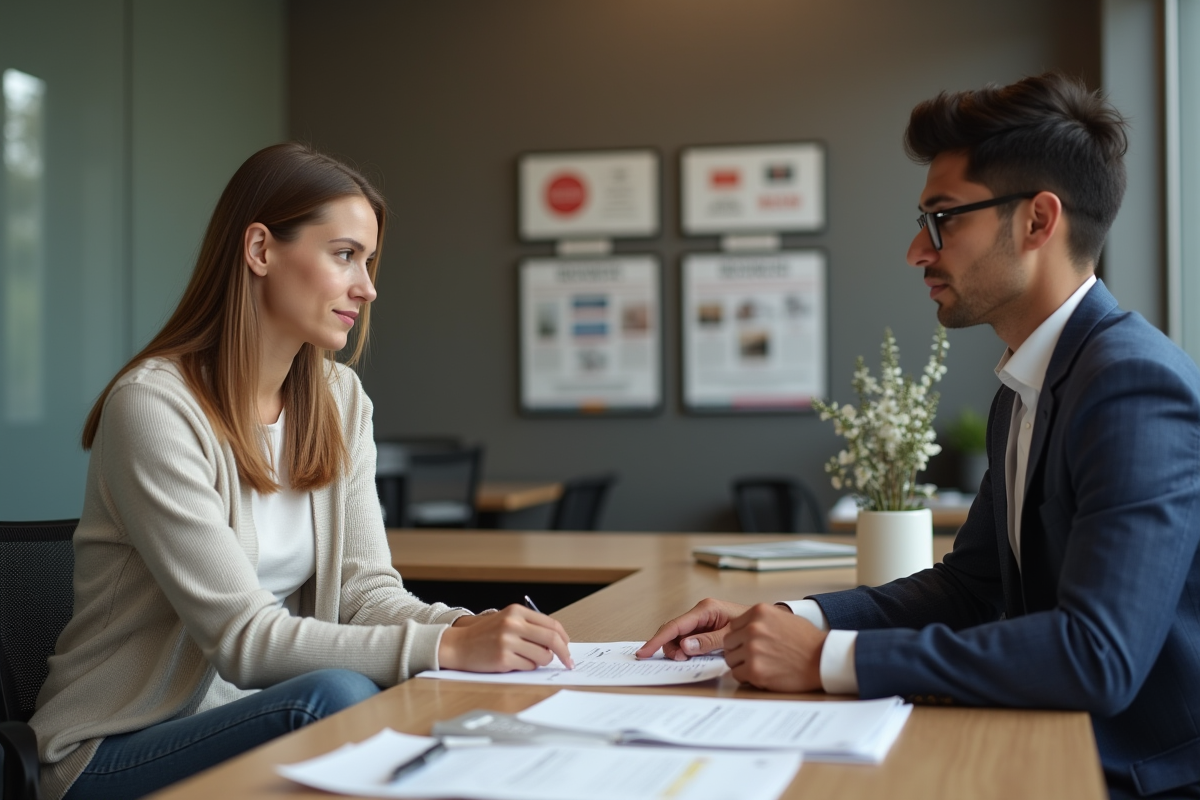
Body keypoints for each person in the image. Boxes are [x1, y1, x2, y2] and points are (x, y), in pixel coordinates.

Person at [639, 73, 1200, 800]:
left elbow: (1098, 656)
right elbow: (972, 584)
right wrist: (790, 619)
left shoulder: (1131, 385)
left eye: (943, 219)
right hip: (1044, 743)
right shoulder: (1031, 384)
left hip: (1131, 777)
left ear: (1037, 221)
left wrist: (830, 660)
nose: (917, 250)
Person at [30, 143, 574, 800]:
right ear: (260, 251)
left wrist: (471, 630)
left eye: (368, 262)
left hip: (259, 722)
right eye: (344, 255)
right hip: (111, 751)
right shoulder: (154, 407)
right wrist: (445, 650)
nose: (367, 287)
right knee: (339, 697)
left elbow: (366, 594)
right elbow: (244, 640)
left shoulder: (338, 400)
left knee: (404, 704)